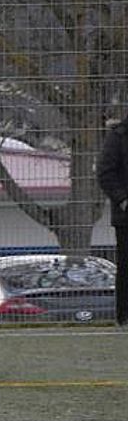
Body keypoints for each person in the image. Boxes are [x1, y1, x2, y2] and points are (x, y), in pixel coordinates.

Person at [97, 115, 128, 328]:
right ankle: (125, 316)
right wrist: (123, 200)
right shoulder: (118, 136)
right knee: (126, 267)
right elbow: (105, 172)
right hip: (126, 218)